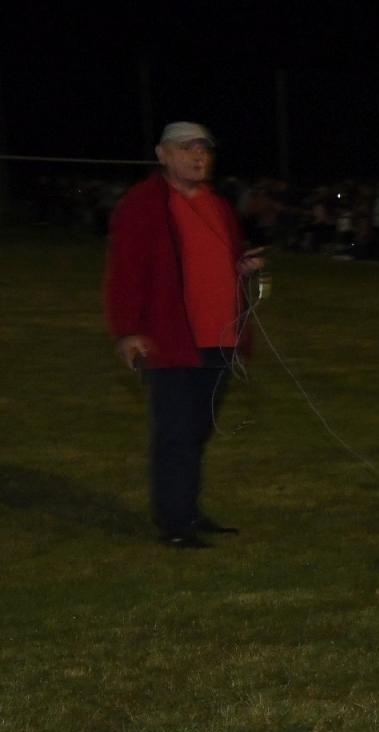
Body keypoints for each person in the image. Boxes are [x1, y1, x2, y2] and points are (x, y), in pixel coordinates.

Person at [103, 121, 266, 548]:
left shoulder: (219, 206)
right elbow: (124, 272)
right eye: (187, 148)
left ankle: (186, 509)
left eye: (204, 150)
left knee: (197, 431)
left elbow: (218, 260)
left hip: (221, 338)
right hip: (172, 338)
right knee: (175, 432)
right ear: (162, 154)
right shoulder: (142, 205)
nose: (198, 157)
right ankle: (176, 524)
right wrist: (127, 331)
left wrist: (241, 268)